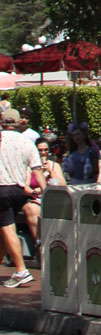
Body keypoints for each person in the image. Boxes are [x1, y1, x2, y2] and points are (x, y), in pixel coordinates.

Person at [0, 108, 40, 287]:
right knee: (4, 229)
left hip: (2, 189)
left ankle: (21, 269)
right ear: (18, 123)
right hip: (18, 190)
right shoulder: (27, 142)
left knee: (8, 228)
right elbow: (37, 170)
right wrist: (45, 193)